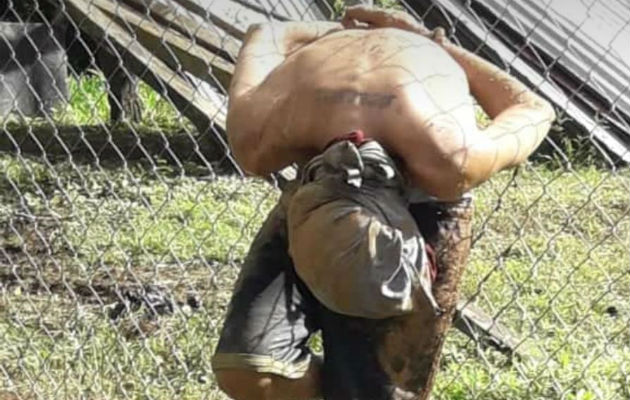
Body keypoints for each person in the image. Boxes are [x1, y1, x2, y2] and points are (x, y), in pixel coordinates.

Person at [211, 5, 555, 400]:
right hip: (315, 187)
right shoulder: (261, 134)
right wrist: (346, 33)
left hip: (418, 208)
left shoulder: (448, 157)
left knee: (378, 390)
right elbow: (264, 32)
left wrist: (431, 45)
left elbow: (536, 111)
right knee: (249, 366)